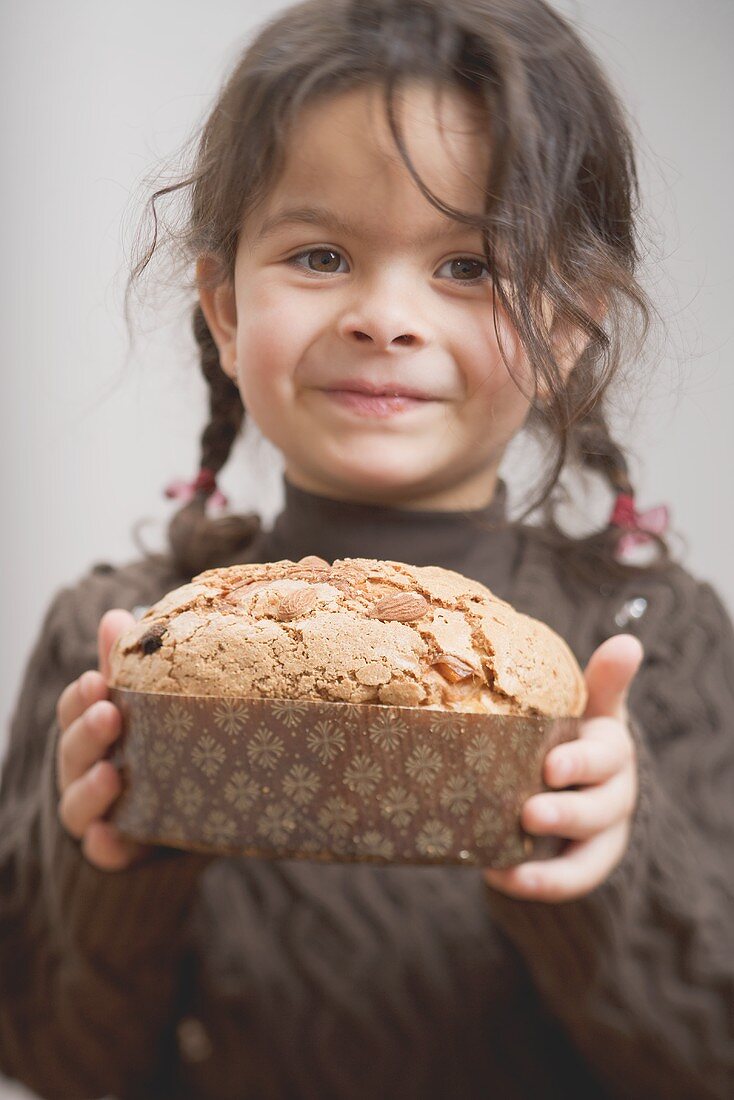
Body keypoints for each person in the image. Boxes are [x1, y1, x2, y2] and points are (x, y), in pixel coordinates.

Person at [1, 1, 732, 1097]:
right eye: (321, 253)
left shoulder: (648, 638)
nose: (384, 315)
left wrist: (606, 864)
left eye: (470, 267)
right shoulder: (115, 642)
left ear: (571, 322)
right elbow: (50, 1054)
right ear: (222, 307)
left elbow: (703, 1058)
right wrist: (109, 867)